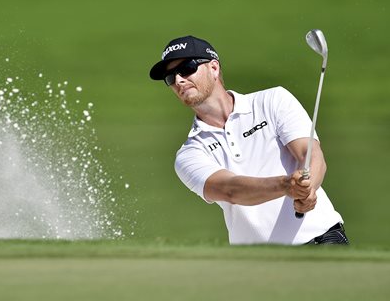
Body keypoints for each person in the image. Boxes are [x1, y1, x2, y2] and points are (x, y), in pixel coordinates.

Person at [149, 35, 348, 245]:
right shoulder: (190, 153)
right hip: (257, 264)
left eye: (187, 68)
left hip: (323, 240)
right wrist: (286, 185)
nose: (179, 80)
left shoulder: (273, 100)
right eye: (170, 77)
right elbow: (230, 189)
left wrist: (309, 189)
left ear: (214, 68)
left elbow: (310, 154)